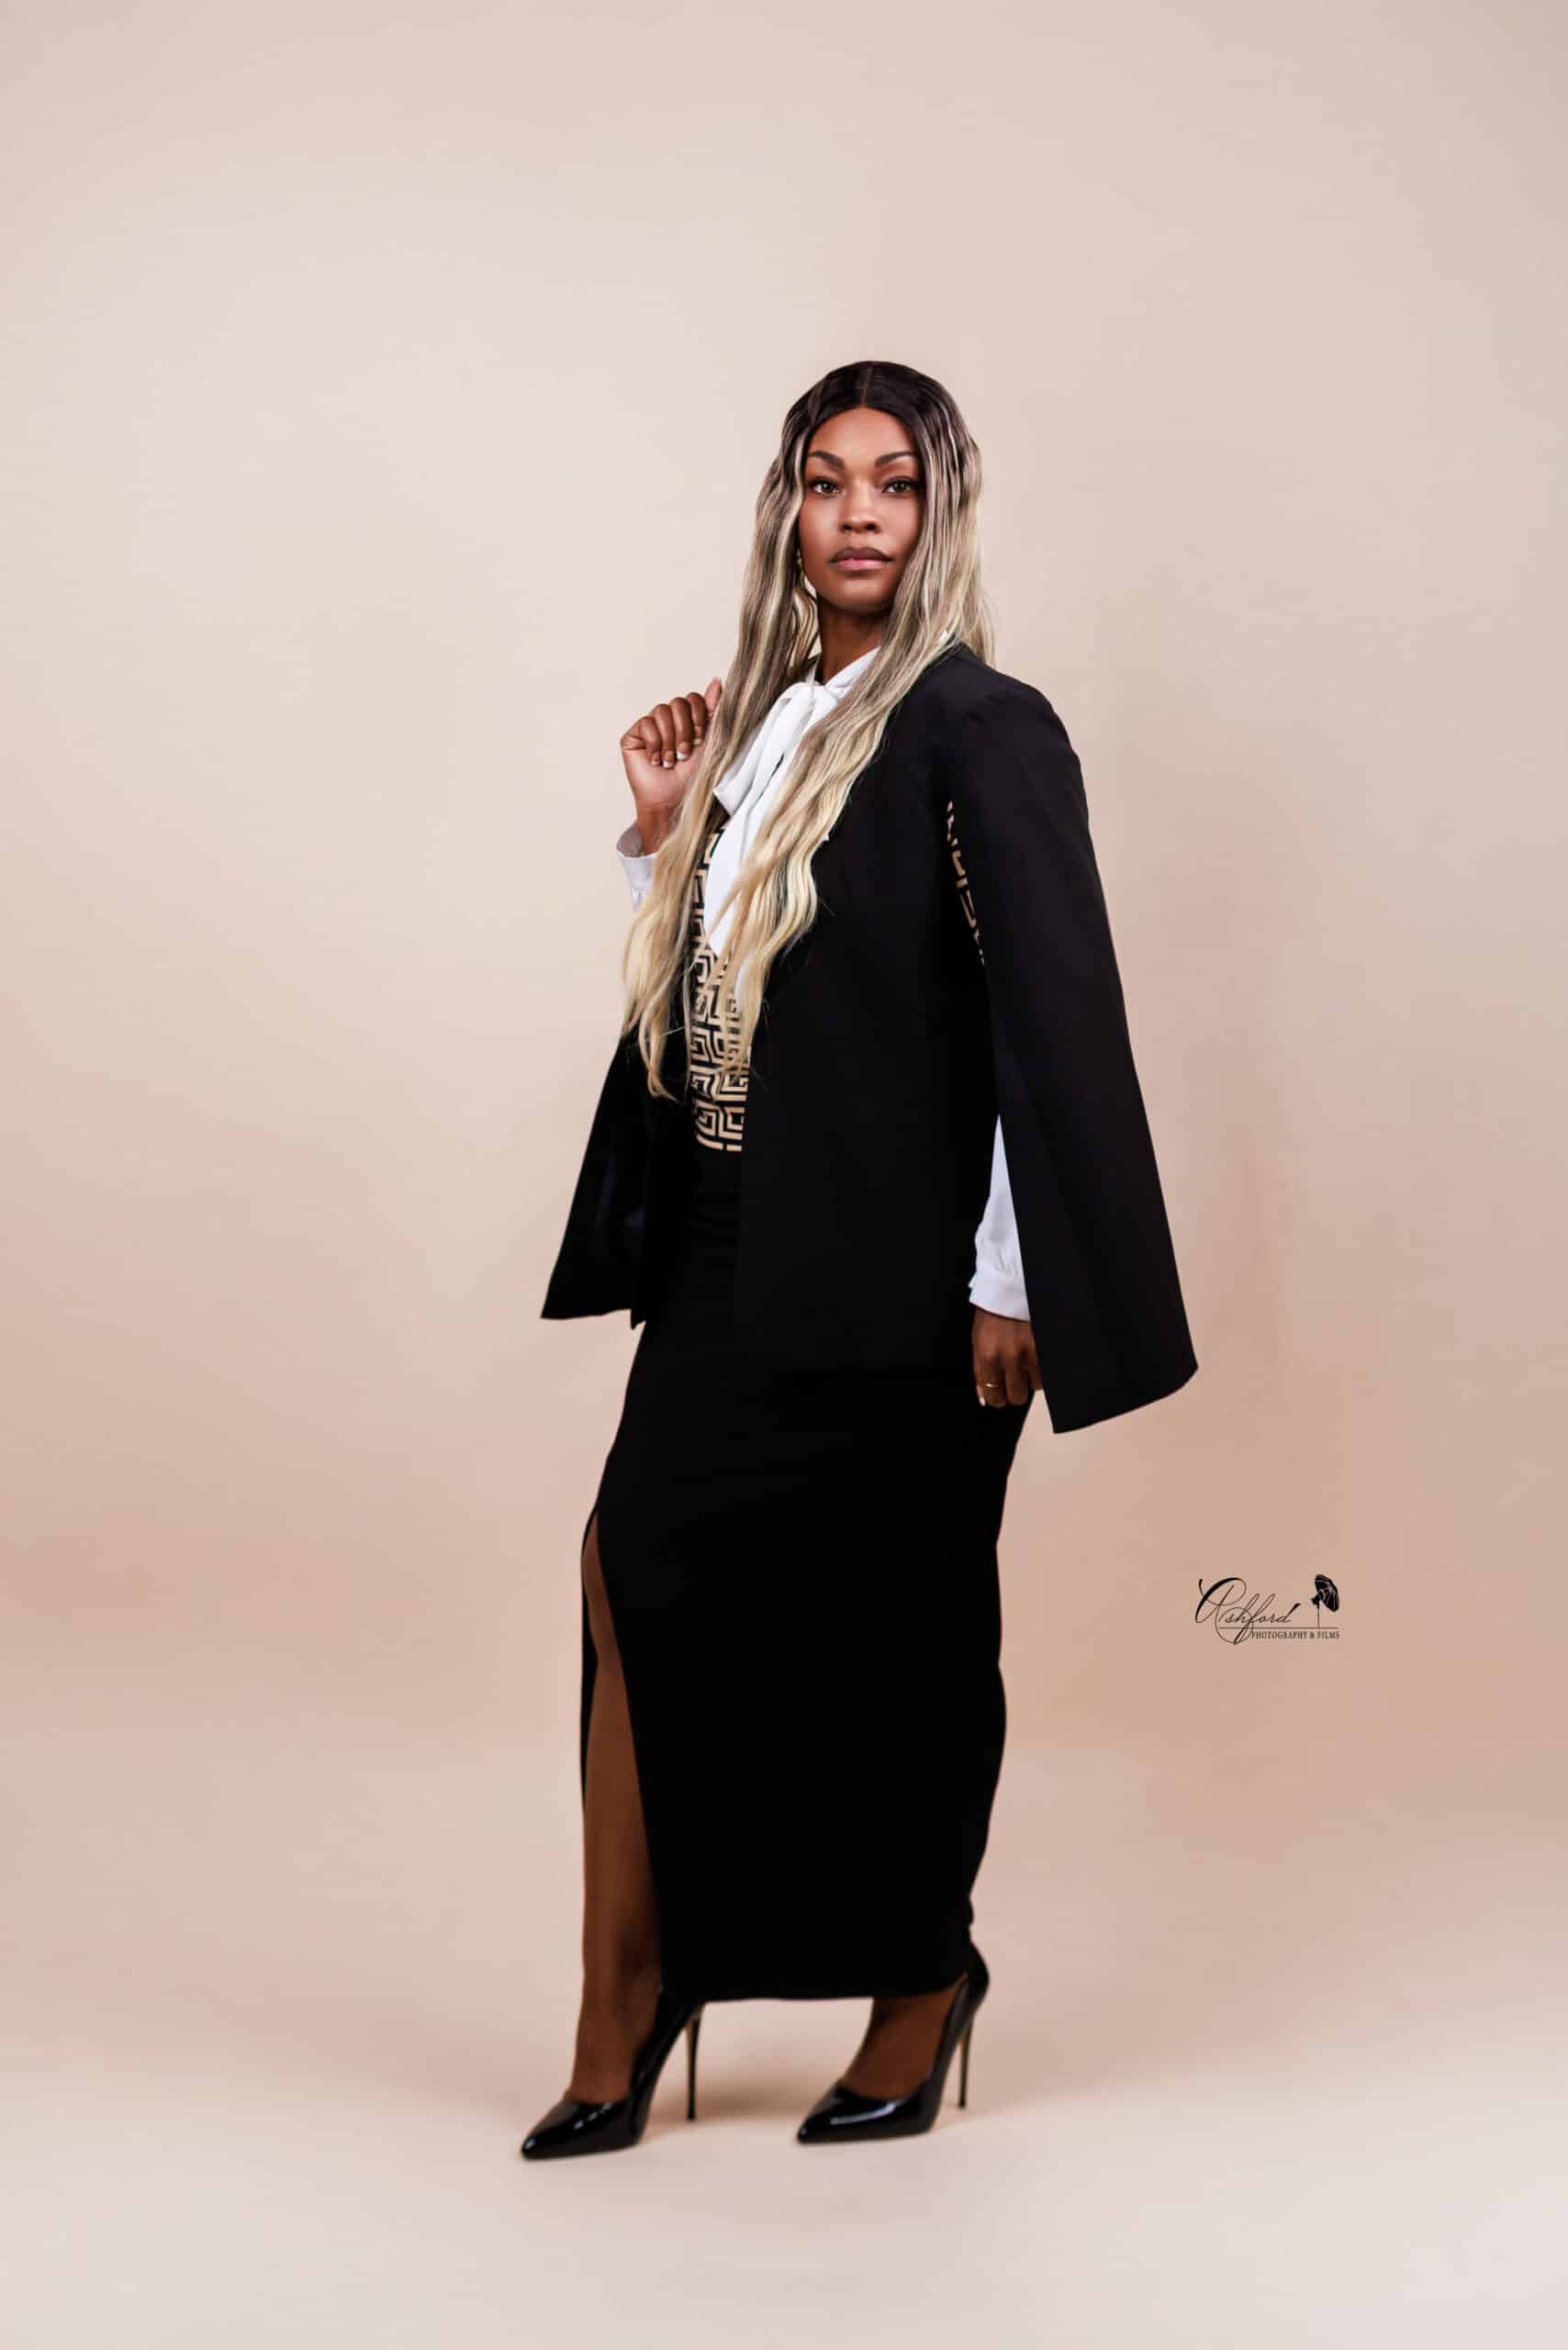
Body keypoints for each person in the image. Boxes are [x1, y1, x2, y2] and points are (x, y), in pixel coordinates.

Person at [523, 360, 1198, 2157]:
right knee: (639, 1570)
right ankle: (626, 1991)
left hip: (913, 1264)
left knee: (902, 1635)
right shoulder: (763, 725)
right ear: (788, 510)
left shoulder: (982, 726)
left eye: (893, 482)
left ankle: (917, 1982)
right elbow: (727, 988)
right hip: (728, 1234)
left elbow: (1046, 1017)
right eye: (826, 482)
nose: (859, 516)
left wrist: (1012, 1275)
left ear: (940, 506)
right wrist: (664, 834)